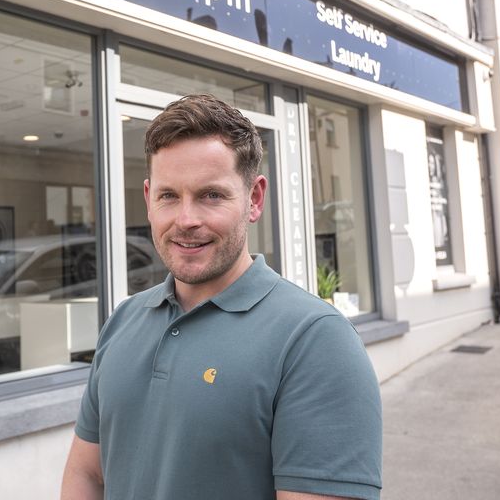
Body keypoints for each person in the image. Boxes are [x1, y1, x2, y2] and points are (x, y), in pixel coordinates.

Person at [61, 94, 382, 500]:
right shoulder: (124, 321)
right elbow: (87, 475)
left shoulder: (315, 340)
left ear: (254, 199)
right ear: (148, 200)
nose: (186, 219)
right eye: (168, 196)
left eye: (211, 195)